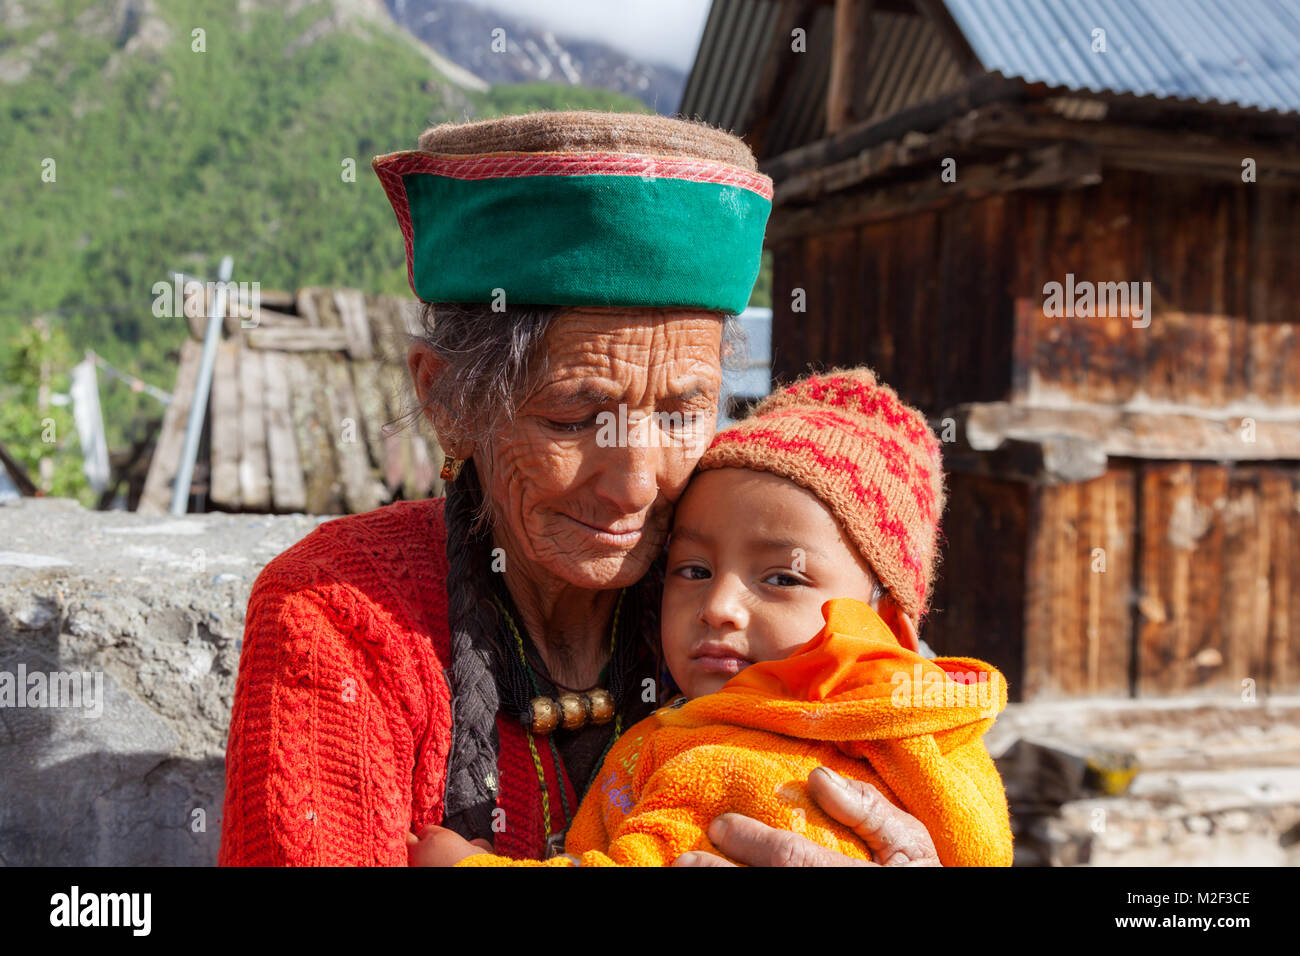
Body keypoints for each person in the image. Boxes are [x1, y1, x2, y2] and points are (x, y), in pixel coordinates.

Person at [219, 111, 944, 866]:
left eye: (681, 414)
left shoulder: (767, 612)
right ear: (448, 402)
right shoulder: (341, 618)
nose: (635, 486)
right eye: (576, 419)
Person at [407, 368, 1014, 867]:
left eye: (781, 578)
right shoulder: (673, 728)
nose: (718, 608)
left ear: (889, 622)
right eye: (692, 570)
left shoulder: (729, 755)